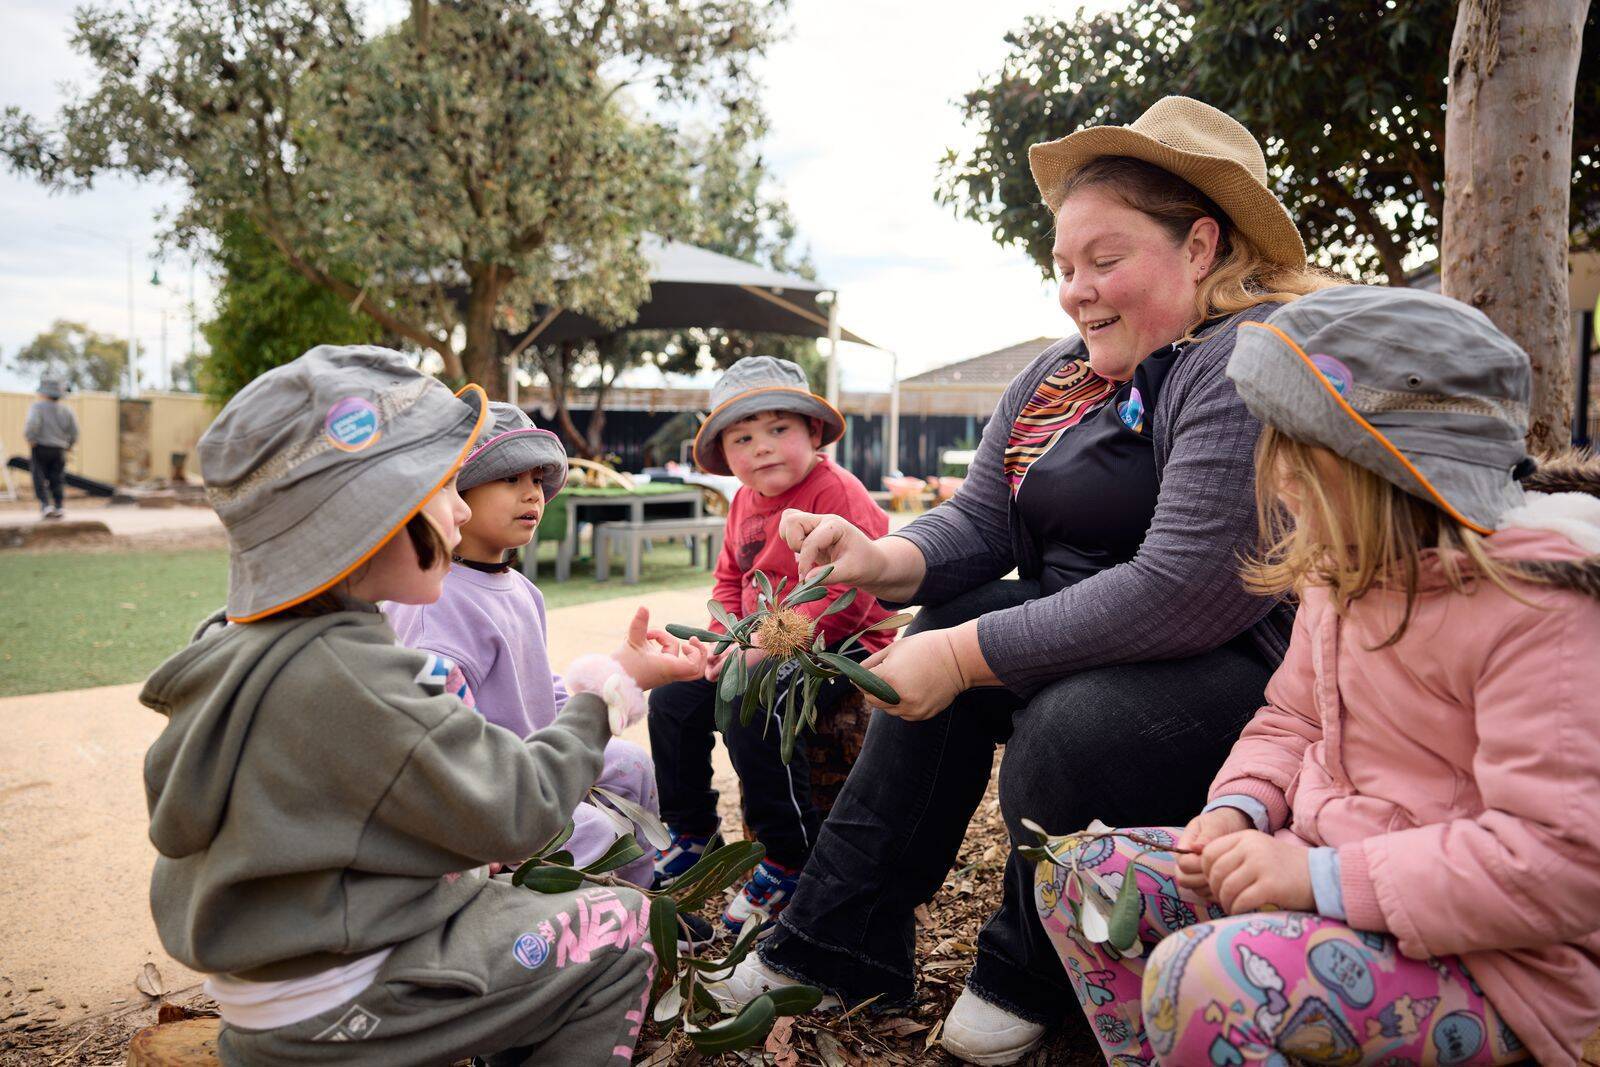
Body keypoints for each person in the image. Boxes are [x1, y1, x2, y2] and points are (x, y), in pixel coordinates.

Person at [713, 96, 1335, 1064]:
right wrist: (876, 557)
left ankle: (1028, 970)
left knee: (1064, 727)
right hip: (1080, 635)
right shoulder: (1056, 377)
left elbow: (1183, 588)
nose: (1076, 293)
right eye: (1064, 267)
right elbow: (978, 523)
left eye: (1104, 260)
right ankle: (838, 941)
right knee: (950, 617)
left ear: (1201, 245)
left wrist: (967, 656)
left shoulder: (1245, 361)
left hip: (1238, 666)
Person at [1034, 284, 1600, 1067]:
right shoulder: (1344, 572)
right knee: (1083, 877)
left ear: (1386, 469)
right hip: (1328, 881)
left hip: (1500, 965)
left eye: (1297, 457)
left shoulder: (1538, 610)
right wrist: (1237, 809)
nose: (1277, 482)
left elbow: (1557, 863)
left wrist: (1317, 877)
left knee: (1212, 979)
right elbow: (1293, 718)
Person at [141, 345, 706, 1065]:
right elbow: (520, 809)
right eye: (444, 487)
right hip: (348, 1001)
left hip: (280, 987)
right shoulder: (354, 673)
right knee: (624, 926)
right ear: (370, 515)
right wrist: (610, 686)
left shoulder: (243, 647)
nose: (461, 507)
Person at [647, 355, 895, 933]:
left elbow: (847, 595)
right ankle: (692, 830)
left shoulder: (836, 491)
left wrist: (763, 646)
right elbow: (729, 581)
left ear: (813, 431)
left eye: (778, 429)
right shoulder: (742, 502)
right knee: (672, 700)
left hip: (840, 645)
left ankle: (789, 855)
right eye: (742, 438)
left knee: (750, 699)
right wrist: (724, 640)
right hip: (757, 644)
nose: (760, 447)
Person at [385, 401, 661, 889]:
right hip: (495, 793)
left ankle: (645, 897)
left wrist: (598, 705)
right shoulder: (435, 603)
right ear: (455, 494)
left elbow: (540, 689)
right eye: (510, 478)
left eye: (537, 479)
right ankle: (592, 911)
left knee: (632, 764)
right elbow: (435, 738)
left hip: (542, 760)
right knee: (594, 832)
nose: (533, 492)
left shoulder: (522, 590)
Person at [24, 376, 76, 519]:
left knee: (39, 476)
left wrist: (30, 438)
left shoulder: (37, 407)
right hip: (59, 449)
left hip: (40, 447)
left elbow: (32, 424)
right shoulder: (67, 410)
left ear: (44, 393)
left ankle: (46, 505)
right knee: (57, 477)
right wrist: (70, 444)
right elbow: (74, 431)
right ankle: (59, 506)